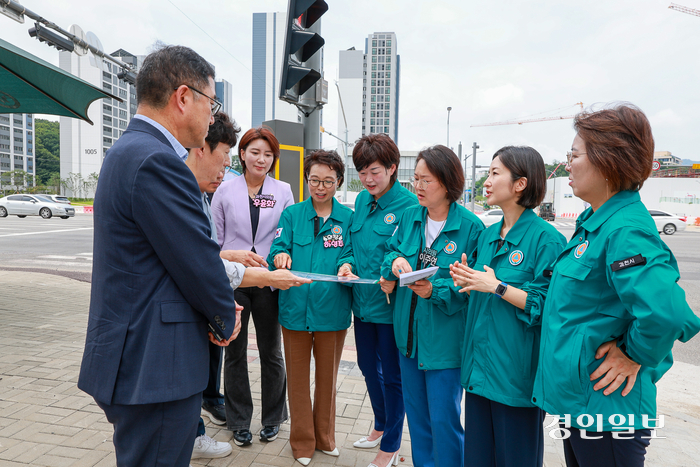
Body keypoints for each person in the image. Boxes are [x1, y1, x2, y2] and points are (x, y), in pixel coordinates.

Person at [78, 45, 243, 467]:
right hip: (156, 365)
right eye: (212, 102)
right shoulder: (158, 161)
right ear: (183, 97)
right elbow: (197, 261)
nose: (212, 116)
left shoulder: (129, 150)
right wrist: (225, 317)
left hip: (135, 357)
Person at [531, 103, 700, 467]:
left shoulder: (625, 230)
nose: (566, 165)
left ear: (607, 160)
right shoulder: (597, 222)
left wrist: (634, 354)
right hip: (584, 403)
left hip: (608, 409)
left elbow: (668, 315)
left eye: (573, 155)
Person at [450, 146, 566, 467]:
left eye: (495, 173)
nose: (486, 181)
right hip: (479, 372)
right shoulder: (487, 236)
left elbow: (547, 306)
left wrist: (497, 287)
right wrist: (467, 282)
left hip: (515, 378)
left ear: (520, 184)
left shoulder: (547, 241)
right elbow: (479, 291)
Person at [381, 145, 484, 467]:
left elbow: (473, 287)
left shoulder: (471, 228)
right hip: (408, 340)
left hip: (444, 344)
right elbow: (389, 251)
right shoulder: (411, 217)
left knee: (444, 421)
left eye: (427, 180)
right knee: (419, 422)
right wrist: (395, 261)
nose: (419, 187)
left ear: (448, 182)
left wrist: (434, 291)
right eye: (416, 179)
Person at [268, 150, 354, 466]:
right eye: (315, 180)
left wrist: (347, 265)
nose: (321, 187)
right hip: (294, 309)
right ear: (306, 180)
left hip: (332, 311)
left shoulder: (348, 219)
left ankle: (326, 437)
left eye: (328, 181)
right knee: (299, 380)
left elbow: (351, 254)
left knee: (328, 380)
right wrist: (279, 257)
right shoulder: (292, 215)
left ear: (339, 182)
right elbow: (278, 247)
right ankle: (302, 443)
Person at [211, 127, 295, 446]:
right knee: (234, 350)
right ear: (242, 154)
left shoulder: (283, 191)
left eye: (268, 154)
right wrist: (227, 257)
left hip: (268, 279)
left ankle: (273, 418)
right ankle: (238, 420)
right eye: (255, 152)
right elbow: (213, 242)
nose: (262, 159)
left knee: (271, 351)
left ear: (274, 159)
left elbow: (287, 236)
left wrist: (280, 259)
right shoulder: (224, 190)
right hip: (232, 278)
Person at [337, 134, 417, 467]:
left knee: (393, 378)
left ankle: (391, 444)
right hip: (363, 305)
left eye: (374, 172)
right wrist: (346, 263)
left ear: (392, 168)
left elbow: (406, 255)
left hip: (390, 307)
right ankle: (381, 424)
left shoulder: (409, 207)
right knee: (369, 370)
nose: (368, 180)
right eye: (362, 172)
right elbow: (352, 245)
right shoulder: (361, 203)